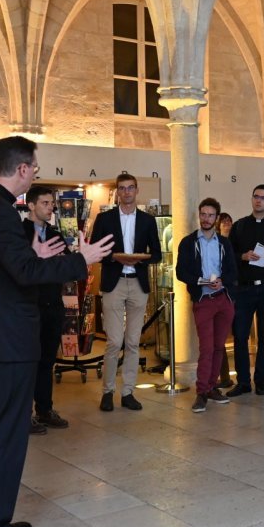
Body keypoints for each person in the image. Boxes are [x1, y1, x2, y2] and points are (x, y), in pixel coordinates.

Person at [0, 136, 113, 527]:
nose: (37, 174)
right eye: (36, 169)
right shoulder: (4, 213)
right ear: (22, 169)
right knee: (6, 437)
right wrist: (82, 259)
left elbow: (4, 269)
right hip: (7, 339)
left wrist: (34, 255)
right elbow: (23, 273)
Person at [90, 173, 162, 411]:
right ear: (117, 192)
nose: (127, 192)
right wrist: (115, 257)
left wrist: (139, 259)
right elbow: (95, 251)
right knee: (113, 341)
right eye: (122, 188)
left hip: (138, 284)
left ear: (136, 191)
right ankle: (108, 391)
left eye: (131, 188)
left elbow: (157, 254)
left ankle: (128, 392)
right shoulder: (104, 219)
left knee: (132, 342)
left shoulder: (147, 221)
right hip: (114, 282)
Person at [175, 198, 237, 413]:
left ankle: (212, 387)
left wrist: (223, 281)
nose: (206, 218)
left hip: (223, 299)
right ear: (199, 215)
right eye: (203, 214)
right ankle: (201, 391)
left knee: (220, 346)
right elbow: (181, 272)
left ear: (216, 218)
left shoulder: (224, 243)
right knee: (207, 347)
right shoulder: (188, 242)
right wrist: (200, 281)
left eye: (211, 215)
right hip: (203, 300)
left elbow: (232, 271)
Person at [226, 184, 264, 397]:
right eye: (256, 197)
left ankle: (260, 380)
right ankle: (243, 381)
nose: (258, 201)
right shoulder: (240, 226)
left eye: (263, 198)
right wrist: (242, 256)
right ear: (252, 199)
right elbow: (228, 256)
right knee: (240, 335)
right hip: (243, 290)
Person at [22, 185, 71, 434]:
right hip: (29, 307)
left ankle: (44, 408)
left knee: (47, 360)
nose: (50, 207)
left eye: (52, 203)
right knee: (27, 362)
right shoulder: (19, 233)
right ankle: (24, 413)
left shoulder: (55, 233)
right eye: (44, 203)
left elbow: (66, 263)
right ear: (30, 205)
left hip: (53, 305)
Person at [214, 212, 235, 389]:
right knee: (218, 338)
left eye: (229, 221)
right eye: (224, 221)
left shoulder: (234, 242)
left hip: (233, 293)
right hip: (218, 292)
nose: (227, 224)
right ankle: (223, 376)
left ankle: (226, 376)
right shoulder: (215, 243)